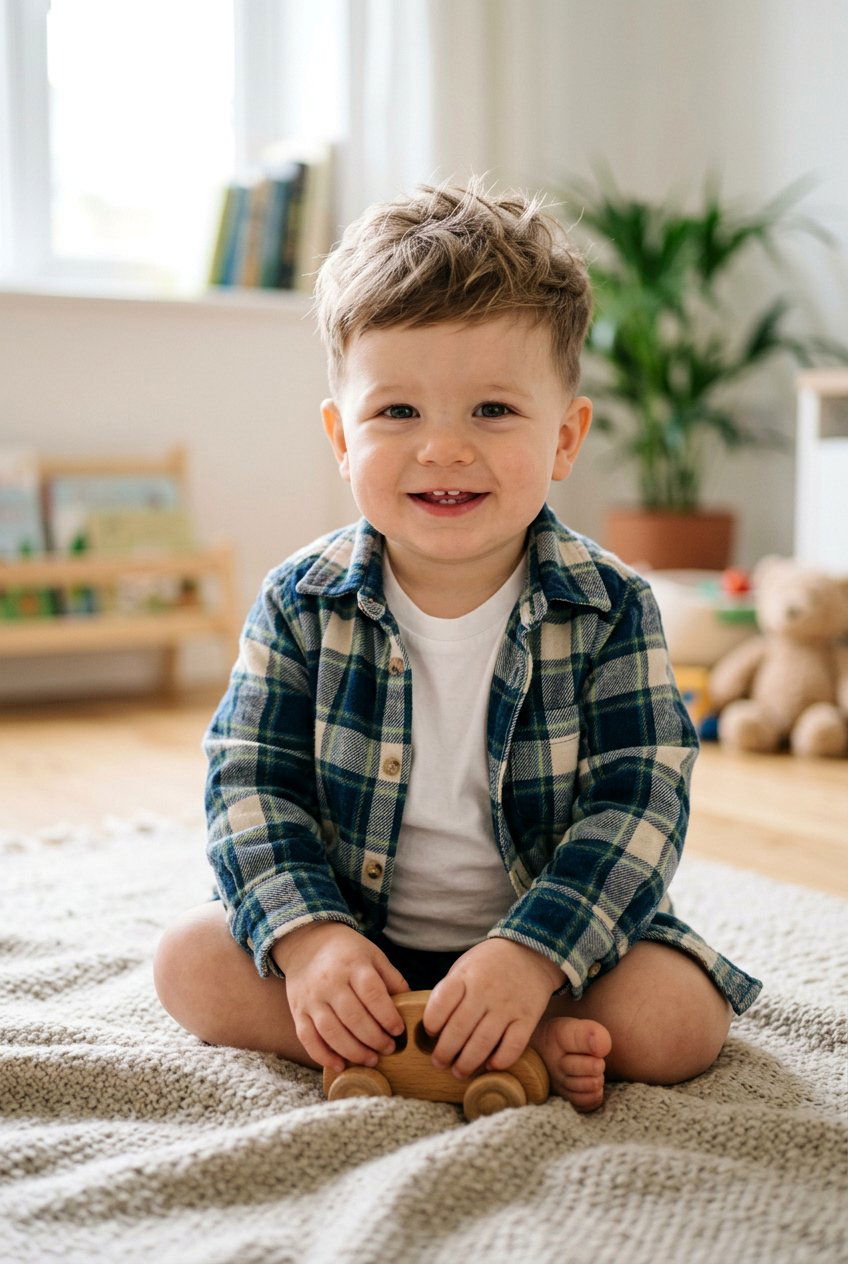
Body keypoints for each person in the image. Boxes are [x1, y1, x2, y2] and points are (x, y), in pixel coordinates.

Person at [153, 175, 762, 1113]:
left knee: (680, 1020)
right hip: (360, 944)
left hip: (551, 949)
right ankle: (425, 1039)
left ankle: (493, 1033)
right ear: (341, 438)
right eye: (397, 413)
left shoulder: (611, 606)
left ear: (565, 437)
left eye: (492, 411)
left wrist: (532, 956)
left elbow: (641, 801)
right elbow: (249, 784)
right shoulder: (298, 601)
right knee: (188, 963)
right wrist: (312, 944)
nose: (442, 448)